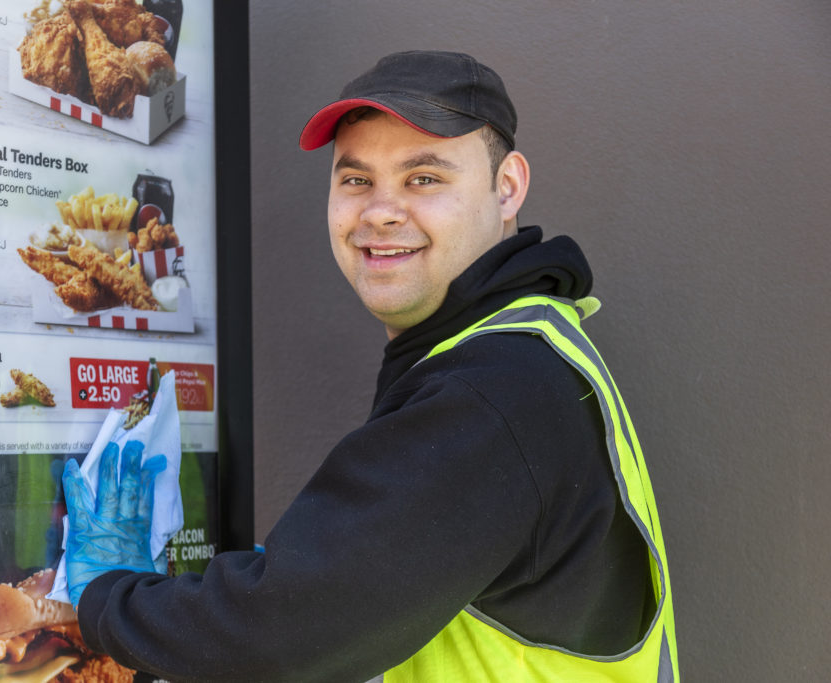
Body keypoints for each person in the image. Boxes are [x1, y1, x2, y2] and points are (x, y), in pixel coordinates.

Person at [63, 50, 678, 682]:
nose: (380, 211)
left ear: (508, 186)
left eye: (424, 178)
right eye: (356, 180)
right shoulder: (524, 348)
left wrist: (105, 598)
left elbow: (276, 635)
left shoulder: (493, 392)